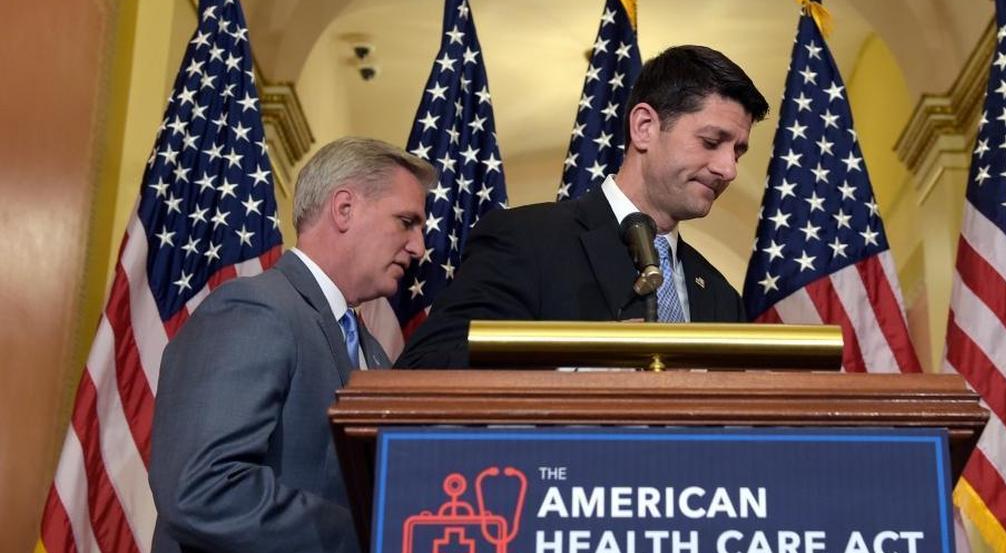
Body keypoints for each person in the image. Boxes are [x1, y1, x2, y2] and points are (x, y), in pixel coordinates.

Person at [396, 45, 769, 369]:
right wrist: (586, 361)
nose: (729, 169)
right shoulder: (527, 241)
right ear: (643, 127)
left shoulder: (719, 295)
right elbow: (430, 363)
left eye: (737, 151)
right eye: (711, 141)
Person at [149, 137, 435, 553]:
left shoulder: (372, 352)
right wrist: (372, 534)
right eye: (406, 221)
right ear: (344, 208)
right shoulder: (255, 309)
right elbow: (203, 487)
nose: (419, 247)